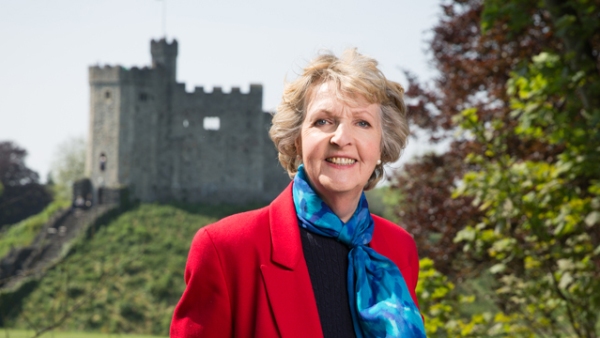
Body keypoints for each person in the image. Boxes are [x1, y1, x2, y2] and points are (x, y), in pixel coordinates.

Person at [170, 49, 425, 338]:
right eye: (323, 121)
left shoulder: (399, 249)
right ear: (296, 140)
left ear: (381, 146)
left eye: (362, 123)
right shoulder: (224, 249)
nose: (342, 139)